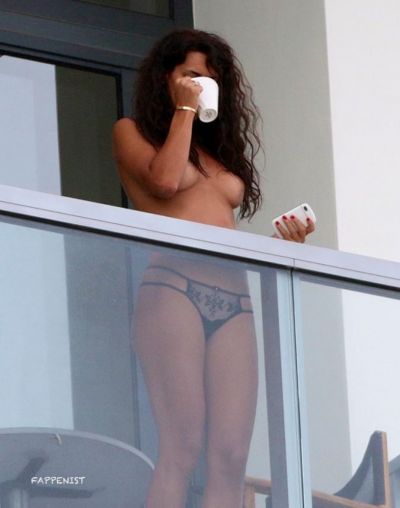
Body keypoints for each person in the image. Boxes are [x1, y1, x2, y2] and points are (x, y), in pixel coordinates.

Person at [112, 29, 315, 508]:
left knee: (230, 457)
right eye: (191, 76)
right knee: (182, 447)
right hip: (174, 288)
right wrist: (185, 108)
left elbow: (220, 231)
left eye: (209, 80)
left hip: (234, 298)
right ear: (166, 77)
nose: (202, 86)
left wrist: (280, 244)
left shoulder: (218, 154)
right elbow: (164, 183)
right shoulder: (132, 132)